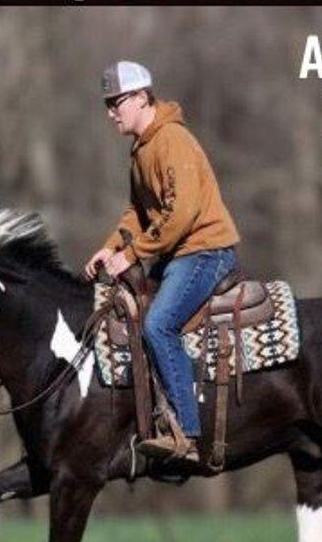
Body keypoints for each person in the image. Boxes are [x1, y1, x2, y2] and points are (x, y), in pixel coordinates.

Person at [84, 61, 240, 463]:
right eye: (108, 104)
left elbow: (182, 213)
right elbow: (136, 213)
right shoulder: (141, 149)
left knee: (158, 324)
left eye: (116, 102)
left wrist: (132, 254)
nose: (110, 112)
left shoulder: (172, 140)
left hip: (205, 251)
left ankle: (185, 434)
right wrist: (109, 248)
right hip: (176, 254)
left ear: (140, 98)